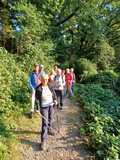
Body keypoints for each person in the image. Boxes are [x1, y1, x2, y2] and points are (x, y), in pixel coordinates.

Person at [35, 74, 57, 151]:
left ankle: (50, 129)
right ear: (41, 79)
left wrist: (55, 100)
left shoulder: (50, 85)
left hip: (51, 105)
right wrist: (37, 109)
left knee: (51, 119)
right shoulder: (38, 88)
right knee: (45, 123)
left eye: (47, 79)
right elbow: (37, 100)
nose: (45, 81)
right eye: (44, 79)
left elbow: (53, 94)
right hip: (44, 107)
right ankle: (43, 141)